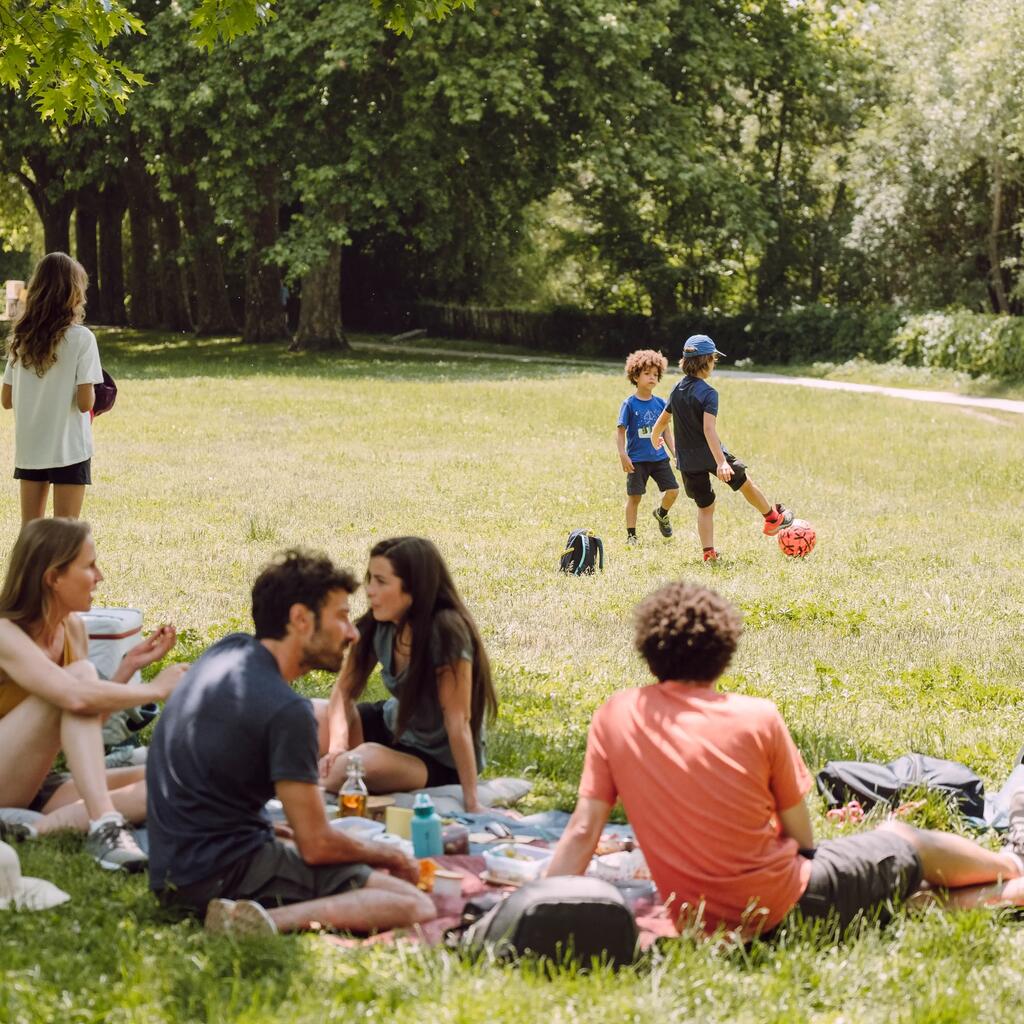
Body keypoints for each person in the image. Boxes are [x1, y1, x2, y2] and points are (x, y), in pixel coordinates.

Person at [547, 581, 1024, 938]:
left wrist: (537, 902)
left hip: (699, 917)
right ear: (724, 654)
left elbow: (584, 831)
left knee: (910, 896)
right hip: (781, 900)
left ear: (648, 651)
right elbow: (803, 838)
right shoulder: (757, 718)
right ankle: (1010, 867)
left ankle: (996, 892)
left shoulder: (616, 715)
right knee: (901, 840)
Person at [146, 549, 434, 937]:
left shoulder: (227, 650)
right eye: (341, 617)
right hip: (218, 877)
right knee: (413, 902)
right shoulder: (287, 712)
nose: (352, 633)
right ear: (300, 619)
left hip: (171, 869)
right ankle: (252, 922)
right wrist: (388, 854)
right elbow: (317, 845)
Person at [0, 518, 186, 871]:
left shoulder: (72, 629)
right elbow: (75, 695)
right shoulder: (5, 633)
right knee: (81, 676)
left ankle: (32, 830)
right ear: (53, 577)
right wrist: (156, 689)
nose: (99, 576)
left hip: (34, 784)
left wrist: (128, 667)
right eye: (89, 565)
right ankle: (105, 824)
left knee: (170, 782)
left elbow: (87, 721)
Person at [318, 537, 497, 814]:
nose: (369, 590)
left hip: (434, 758)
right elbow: (343, 692)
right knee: (305, 717)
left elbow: (458, 721)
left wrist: (472, 800)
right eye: (369, 579)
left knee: (352, 766)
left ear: (413, 587)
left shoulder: (446, 632)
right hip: (392, 726)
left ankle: (307, 776)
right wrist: (336, 746)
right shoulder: (379, 626)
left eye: (380, 581)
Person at [650, 334, 793, 562]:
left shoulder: (677, 389)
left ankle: (708, 553)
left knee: (705, 506)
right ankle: (772, 518)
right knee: (745, 482)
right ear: (705, 360)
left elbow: (663, 419)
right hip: (711, 455)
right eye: (714, 359)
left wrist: (655, 437)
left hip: (687, 462)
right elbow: (709, 430)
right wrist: (721, 462)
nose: (715, 364)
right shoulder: (708, 393)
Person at [1, 253, 104, 525]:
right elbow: (85, 403)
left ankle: (29, 570)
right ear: (74, 293)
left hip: (31, 449)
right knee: (65, 533)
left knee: (31, 532)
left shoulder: (21, 339)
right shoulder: (82, 339)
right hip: (69, 448)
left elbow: (6, 399)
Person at [616, 349, 678, 547]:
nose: (652, 377)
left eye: (655, 374)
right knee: (634, 498)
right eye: (647, 374)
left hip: (659, 458)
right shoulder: (629, 404)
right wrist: (623, 455)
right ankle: (631, 535)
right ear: (635, 376)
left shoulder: (661, 403)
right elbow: (620, 432)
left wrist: (676, 453)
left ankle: (661, 513)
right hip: (637, 460)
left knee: (674, 490)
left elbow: (666, 431)